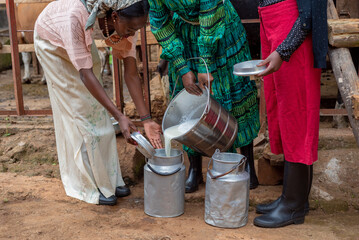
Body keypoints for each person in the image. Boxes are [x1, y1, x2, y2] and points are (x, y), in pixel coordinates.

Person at [34, 0, 162, 206]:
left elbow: (130, 73)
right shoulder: (76, 16)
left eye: (136, 29)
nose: (131, 33)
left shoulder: (128, 19)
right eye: (129, 29)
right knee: (79, 108)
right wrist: (120, 116)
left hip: (75, 38)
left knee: (97, 110)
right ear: (114, 18)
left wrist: (146, 119)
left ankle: (110, 179)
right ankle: (87, 185)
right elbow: (85, 75)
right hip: (51, 42)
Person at [148, 0, 260, 193]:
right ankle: (195, 168)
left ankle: (246, 161)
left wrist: (205, 63)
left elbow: (210, 10)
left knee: (234, 91)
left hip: (220, 29)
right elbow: (159, 20)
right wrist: (183, 67)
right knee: (189, 99)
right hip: (184, 34)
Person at [253, 0, 328, 228]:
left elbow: (310, 14)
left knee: (297, 115)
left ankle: (293, 205)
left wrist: (284, 49)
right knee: (286, 113)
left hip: (293, 29)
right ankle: (296, 199)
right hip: (274, 22)